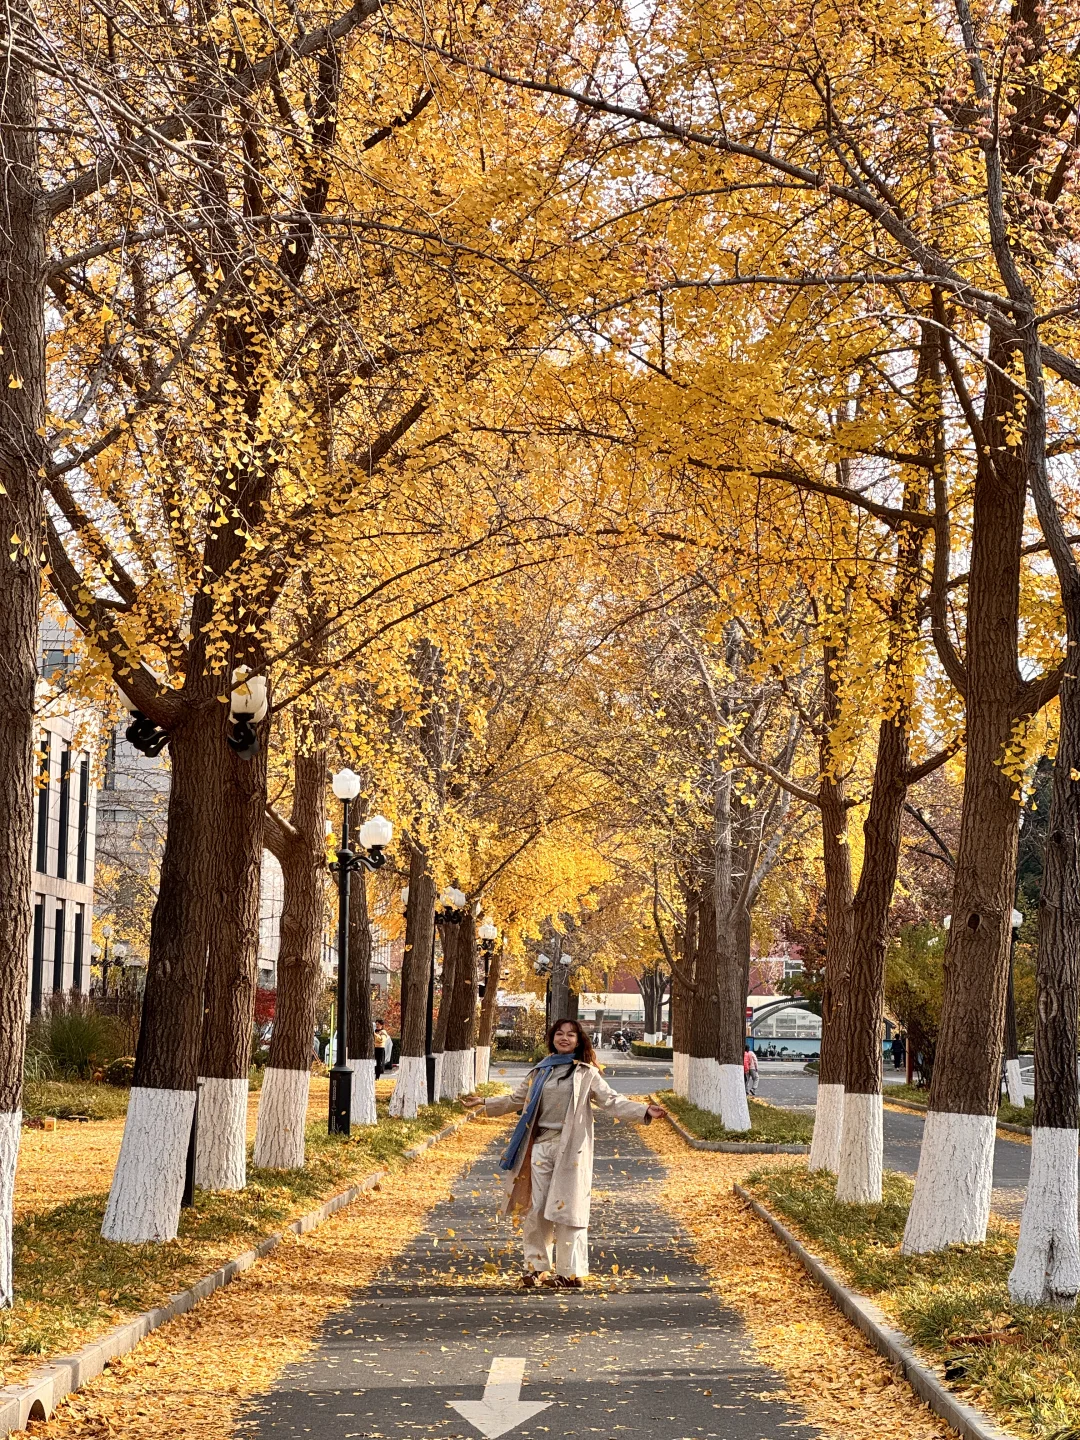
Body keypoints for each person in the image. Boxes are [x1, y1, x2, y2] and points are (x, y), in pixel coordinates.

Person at [463, 1018, 664, 1289]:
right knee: (536, 1207)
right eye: (560, 1033)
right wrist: (484, 1103)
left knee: (569, 1210)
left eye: (571, 1034)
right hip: (541, 1145)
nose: (565, 1038)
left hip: (572, 1149)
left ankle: (571, 1272)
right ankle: (536, 1268)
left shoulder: (586, 1073)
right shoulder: (539, 1072)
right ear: (552, 1038)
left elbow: (611, 1101)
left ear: (579, 1040)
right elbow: (515, 1100)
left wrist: (643, 1111)